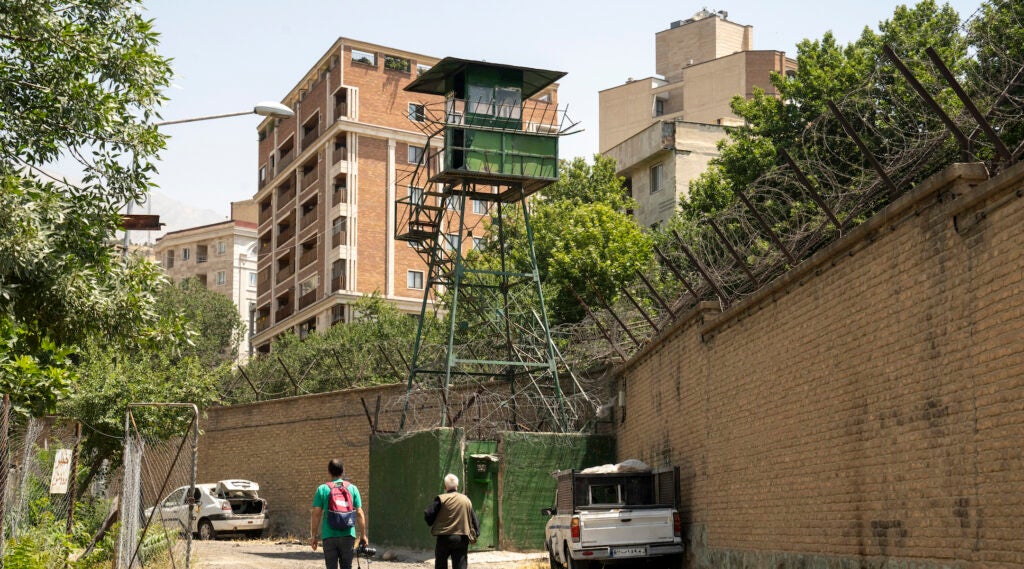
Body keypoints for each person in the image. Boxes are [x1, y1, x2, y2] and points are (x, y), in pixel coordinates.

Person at [311, 459, 368, 569]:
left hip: (329, 535)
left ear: (329, 472)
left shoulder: (322, 489)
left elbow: (316, 514)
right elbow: (360, 513)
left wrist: (314, 536)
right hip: (348, 534)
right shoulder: (353, 488)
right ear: (343, 471)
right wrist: (363, 535)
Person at [424, 473, 480, 569]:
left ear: (445, 486)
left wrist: (431, 522)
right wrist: (476, 533)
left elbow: (428, 514)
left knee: (441, 564)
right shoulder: (466, 500)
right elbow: (474, 520)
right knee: (460, 565)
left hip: (444, 538)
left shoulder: (441, 499)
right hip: (461, 538)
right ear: (457, 486)